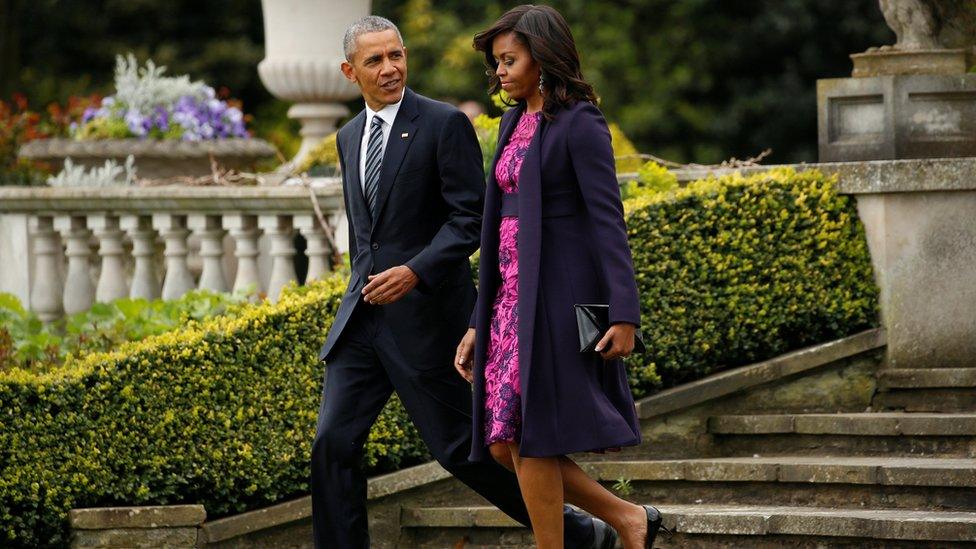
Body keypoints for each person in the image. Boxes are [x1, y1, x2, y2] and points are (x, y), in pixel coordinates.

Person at [311, 15, 618, 549]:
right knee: (332, 443)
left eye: (396, 55)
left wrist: (416, 271)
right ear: (348, 72)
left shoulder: (442, 123)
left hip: (429, 316)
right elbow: (369, 235)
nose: (389, 68)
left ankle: (583, 534)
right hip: (362, 319)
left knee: (461, 449)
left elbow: (471, 218)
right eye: (374, 61)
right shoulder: (347, 137)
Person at [454, 5, 670, 549]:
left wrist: (624, 314)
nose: (500, 71)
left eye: (510, 59)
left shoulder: (580, 121)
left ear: (542, 58)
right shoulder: (510, 121)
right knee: (506, 442)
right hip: (507, 303)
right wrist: (480, 319)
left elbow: (607, 220)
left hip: (553, 299)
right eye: (496, 63)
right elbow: (495, 232)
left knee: (530, 435)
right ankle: (627, 518)